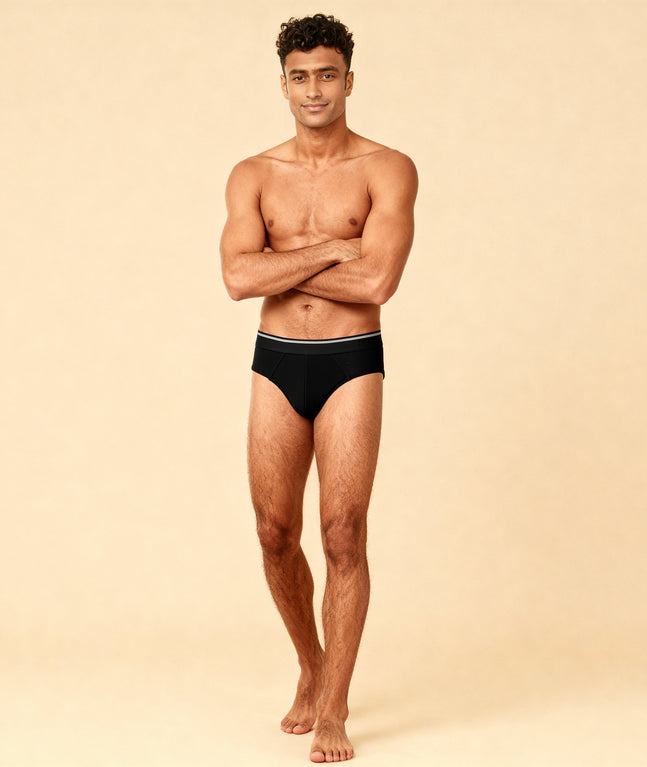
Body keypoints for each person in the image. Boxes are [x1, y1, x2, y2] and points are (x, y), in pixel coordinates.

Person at [220, 13, 417, 763]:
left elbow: (377, 282)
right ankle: (310, 662)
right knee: (274, 532)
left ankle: (333, 705)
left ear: (349, 81)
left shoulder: (386, 168)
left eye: (327, 75)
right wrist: (337, 246)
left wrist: (284, 264)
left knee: (342, 533)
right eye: (299, 77)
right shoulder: (252, 174)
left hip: (350, 360)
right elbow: (237, 278)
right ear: (283, 84)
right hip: (276, 360)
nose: (314, 90)